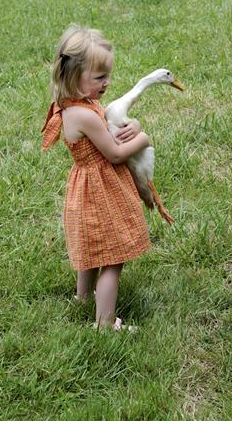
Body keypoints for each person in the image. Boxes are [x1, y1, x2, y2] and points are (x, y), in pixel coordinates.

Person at [41, 24, 151, 330]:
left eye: (107, 75)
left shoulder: (78, 105)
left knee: (92, 250)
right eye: (100, 77)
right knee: (113, 258)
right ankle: (104, 324)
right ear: (75, 76)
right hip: (101, 189)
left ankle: (83, 297)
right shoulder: (84, 115)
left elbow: (112, 131)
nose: (107, 83)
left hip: (88, 187)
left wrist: (134, 126)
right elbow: (115, 153)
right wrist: (143, 140)